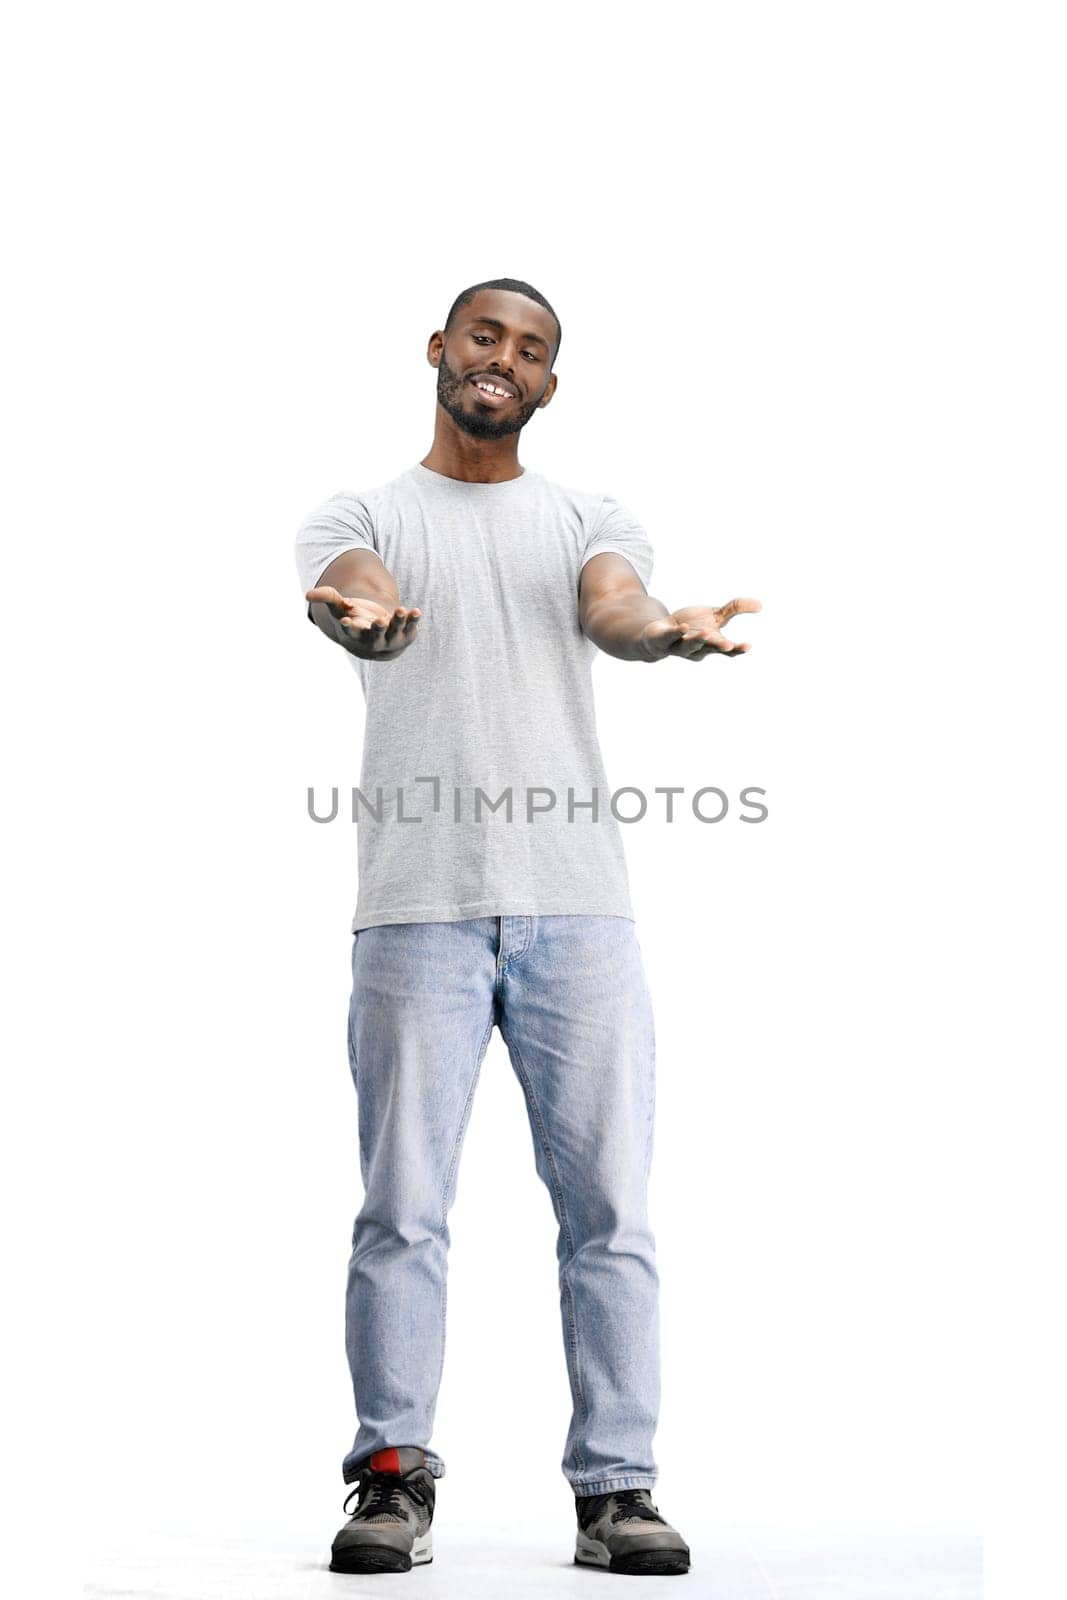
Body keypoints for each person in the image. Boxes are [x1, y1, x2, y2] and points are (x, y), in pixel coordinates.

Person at [294, 277, 760, 1577]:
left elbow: (613, 604)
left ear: (550, 385)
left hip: (580, 920)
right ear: (439, 350)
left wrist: (660, 634)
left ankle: (616, 1491)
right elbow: (354, 583)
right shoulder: (364, 513)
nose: (505, 358)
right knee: (402, 1209)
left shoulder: (585, 519)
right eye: (486, 335)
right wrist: (364, 617)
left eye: (533, 349)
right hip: (414, 921)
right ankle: (390, 1479)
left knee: (610, 1210)